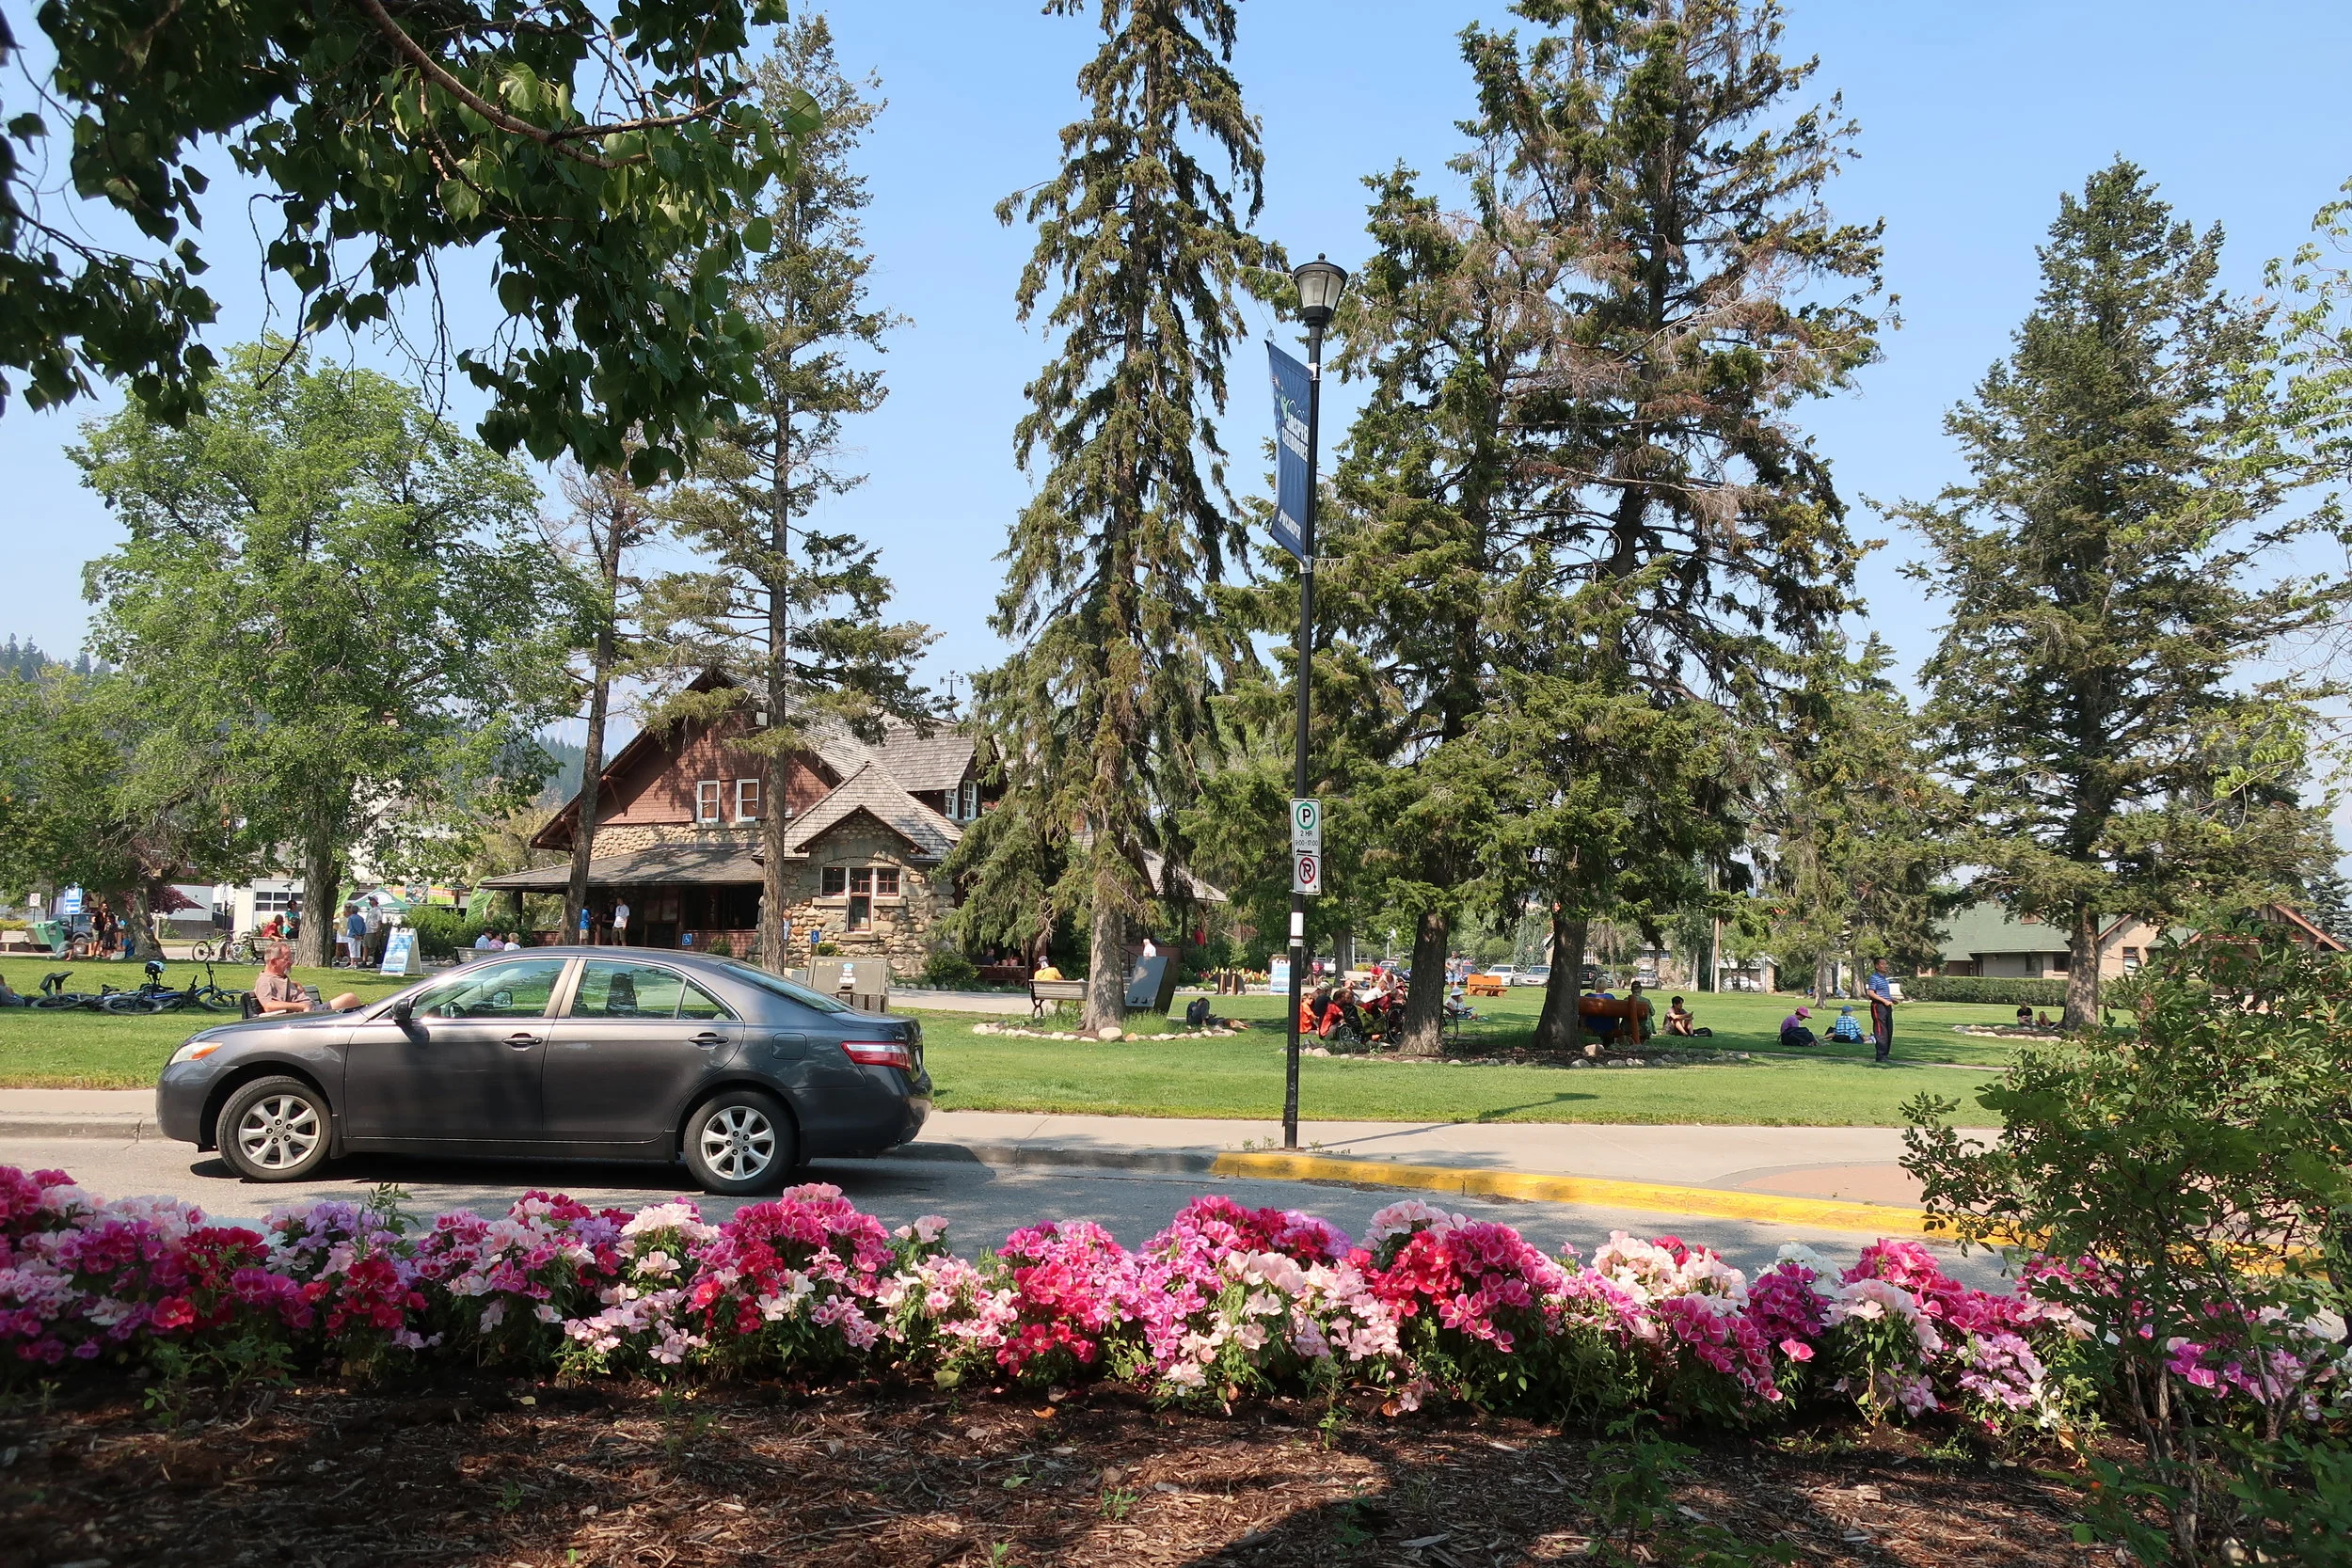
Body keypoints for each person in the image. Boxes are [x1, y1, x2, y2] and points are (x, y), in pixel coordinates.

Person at [1865, 957, 1899, 1065]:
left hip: (1886, 1005)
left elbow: (1881, 992)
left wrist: (1891, 999)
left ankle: (1886, 1054)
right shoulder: (1874, 978)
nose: (1886, 966)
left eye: (1886, 964)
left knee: (1888, 1030)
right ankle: (1880, 1055)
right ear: (1877, 966)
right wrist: (1884, 1001)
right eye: (1883, 964)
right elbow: (1871, 993)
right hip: (1878, 1007)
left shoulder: (1883, 978)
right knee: (1881, 1031)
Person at [341, 904, 365, 968]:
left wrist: (354, 934)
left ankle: (352, 963)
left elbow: (350, 927)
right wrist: (361, 935)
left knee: (352, 949)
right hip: (359, 936)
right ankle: (356, 963)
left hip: (352, 935)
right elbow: (364, 927)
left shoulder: (351, 918)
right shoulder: (361, 918)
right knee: (357, 949)